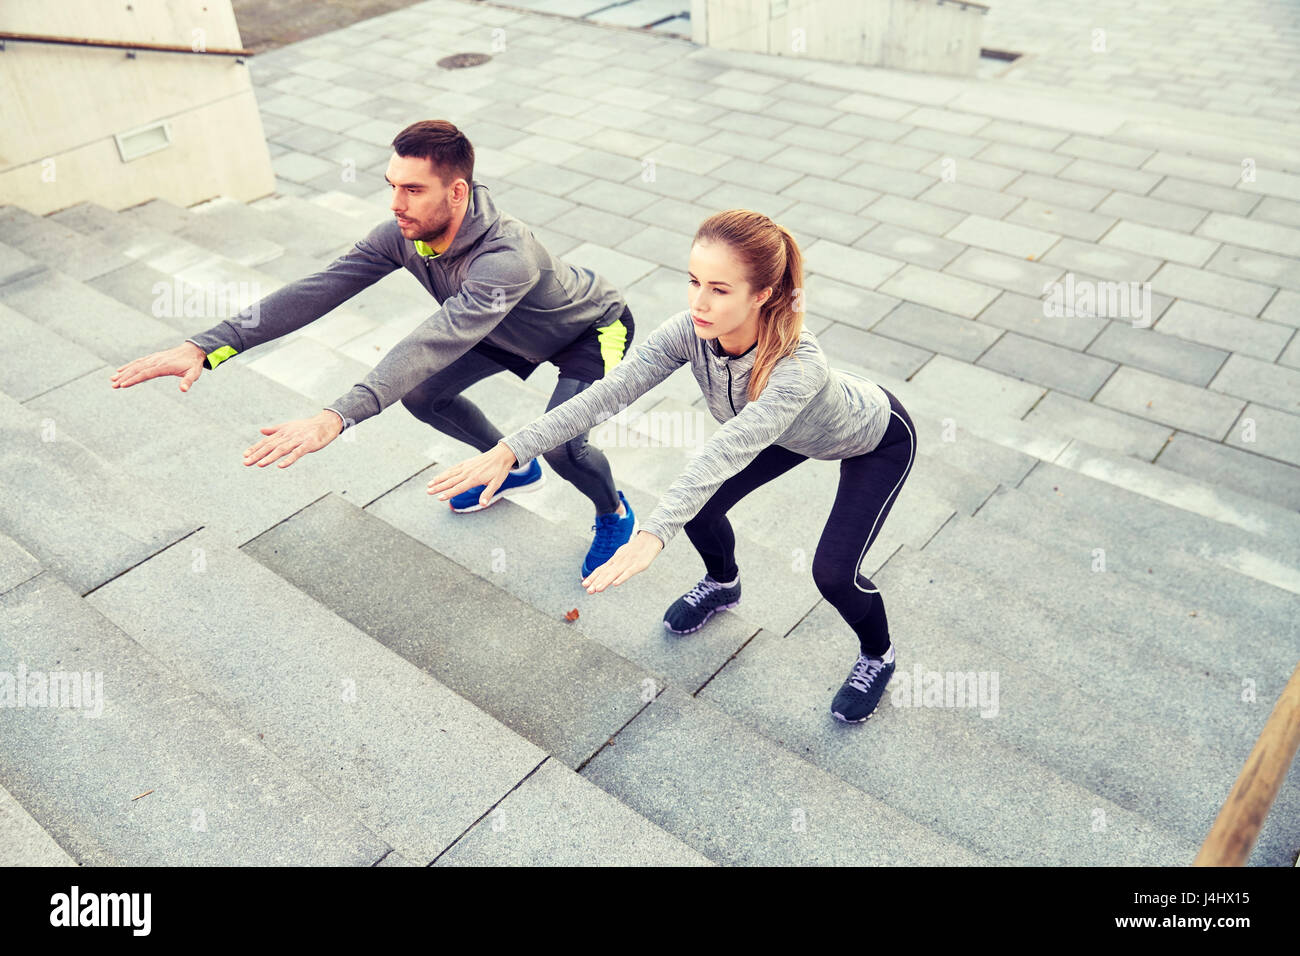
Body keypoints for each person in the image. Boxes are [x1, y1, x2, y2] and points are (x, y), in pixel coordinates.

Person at [428, 210, 917, 723]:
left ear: (762, 294)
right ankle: (723, 583)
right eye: (694, 281)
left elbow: (723, 451)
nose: (699, 302)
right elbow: (608, 394)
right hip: (782, 428)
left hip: (872, 440)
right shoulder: (690, 331)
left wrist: (653, 533)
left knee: (833, 574)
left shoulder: (798, 369)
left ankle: (877, 655)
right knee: (702, 511)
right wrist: (512, 449)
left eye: (720, 290)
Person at [110, 119, 639, 576]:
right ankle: (510, 467)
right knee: (424, 397)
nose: (396, 204)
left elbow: (434, 341)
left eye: (413, 190)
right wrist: (209, 346)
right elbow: (319, 289)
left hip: (587, 331)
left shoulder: (506, 256)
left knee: (562, 444)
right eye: (392, 186)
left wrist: (336, 417)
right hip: (499, 330)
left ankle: (613, 511)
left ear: (457, 193)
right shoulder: (402, 234)